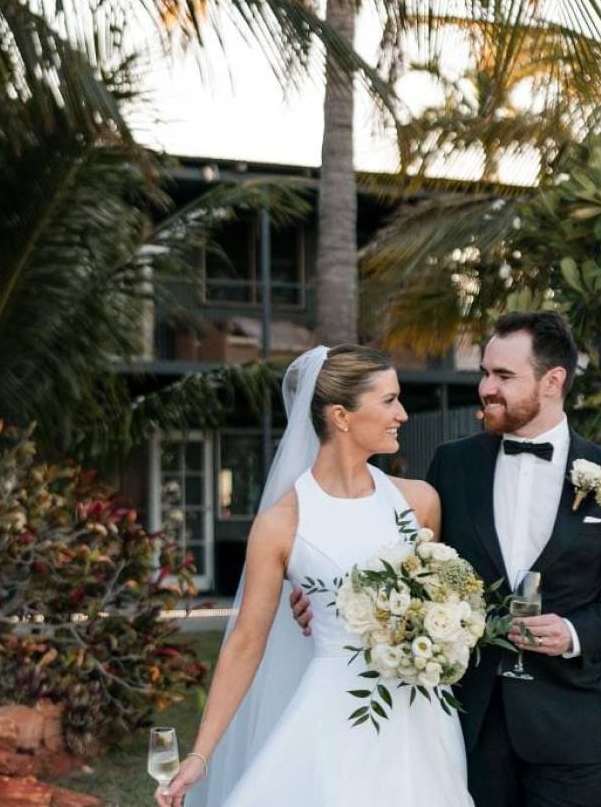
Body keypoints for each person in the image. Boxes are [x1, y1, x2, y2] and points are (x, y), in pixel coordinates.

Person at [291, 312, 601, 807]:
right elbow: (406, 563)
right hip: (467, 722)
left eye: (504, 376)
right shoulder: (452, 464)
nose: (487, 387)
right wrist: (331, 595)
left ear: (553, 381)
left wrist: (577, 634)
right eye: (485, 373)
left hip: (568, 726)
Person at [157, 345, 474, 807]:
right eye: (388, 401)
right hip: (334, 719)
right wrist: (201, 755)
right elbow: (246, 642)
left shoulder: (419, 502)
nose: (402, 414)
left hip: (422, 720)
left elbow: (437, 599)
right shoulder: (281, 524)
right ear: (342, 417)